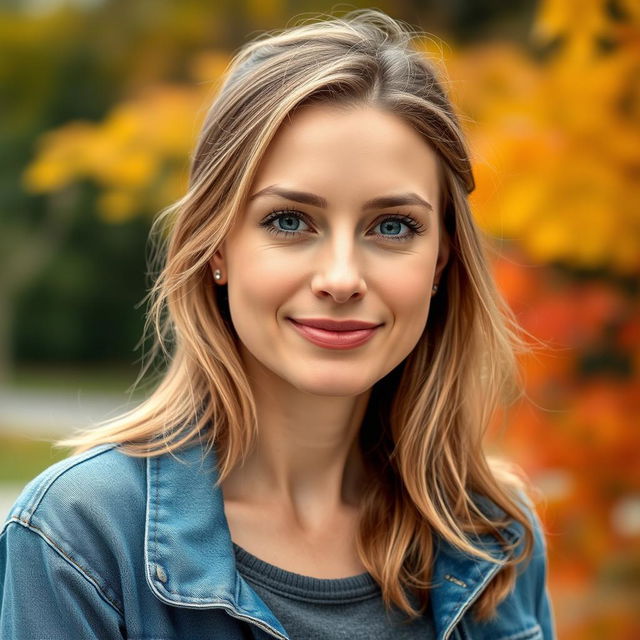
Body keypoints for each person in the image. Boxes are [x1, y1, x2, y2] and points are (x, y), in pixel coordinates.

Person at [0, 8, 556, 640]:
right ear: (216, 247)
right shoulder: (81, 538)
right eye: (289, 221)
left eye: (392, 226)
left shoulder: (495, 536)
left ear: (441, 259)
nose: (342, 277)